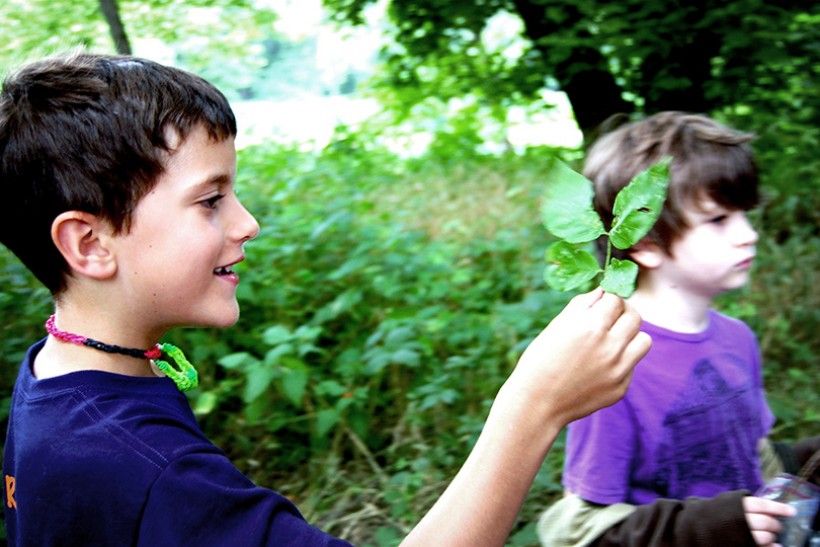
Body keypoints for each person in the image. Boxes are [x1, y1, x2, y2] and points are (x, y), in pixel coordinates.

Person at [0, 52, 657, 546]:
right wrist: (534, 406)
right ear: (88, 244)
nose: (247, 221)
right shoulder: (150, 468)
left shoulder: (55, 379)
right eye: (210, 199)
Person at [537, 112, 817, 546]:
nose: (749, 235)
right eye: (719, 220)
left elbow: (749, 462)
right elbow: (582, 531)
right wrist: (713, 527)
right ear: (646, 244)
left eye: (745, 215)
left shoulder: (738, 339)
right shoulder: (612, 362)